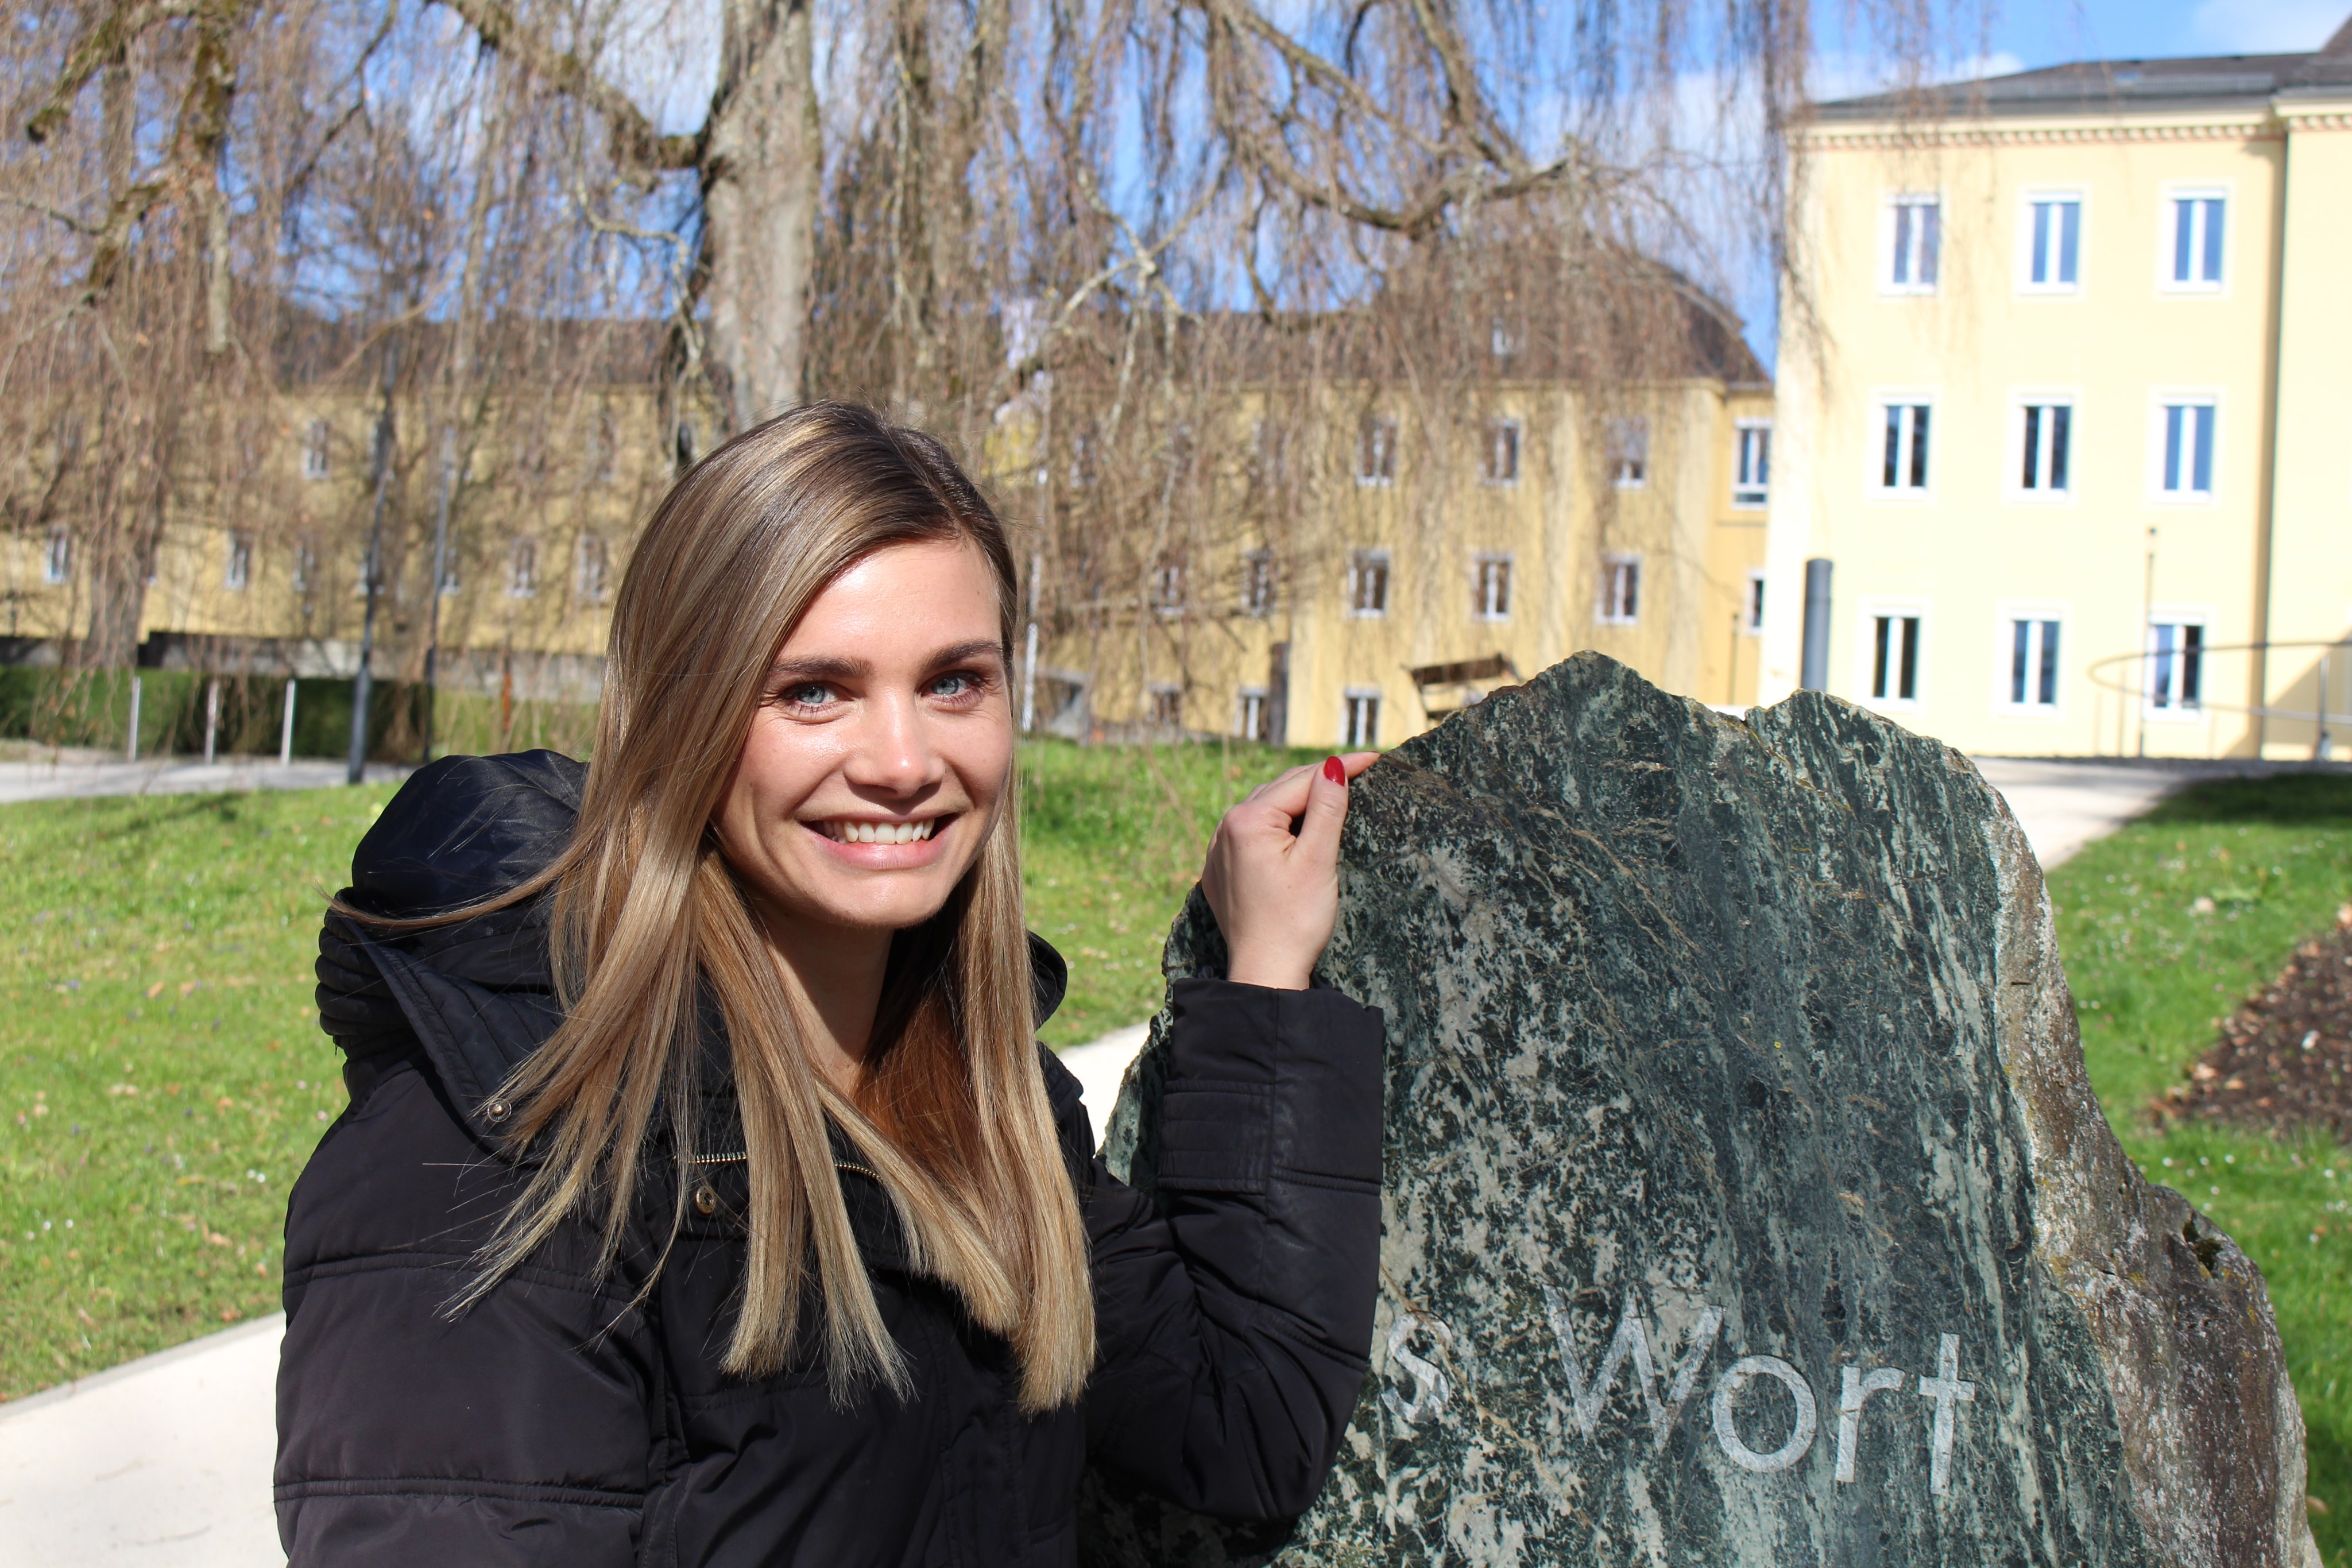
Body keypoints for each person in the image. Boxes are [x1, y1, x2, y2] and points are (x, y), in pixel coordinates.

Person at [275, 402, 1385, 1566]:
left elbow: (1235, 1421)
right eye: (813, 691)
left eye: (955, 681)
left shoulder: (982, 1101)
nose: (903, 763)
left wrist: (1263, 981)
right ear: (678, 714)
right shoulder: (491, 1160)